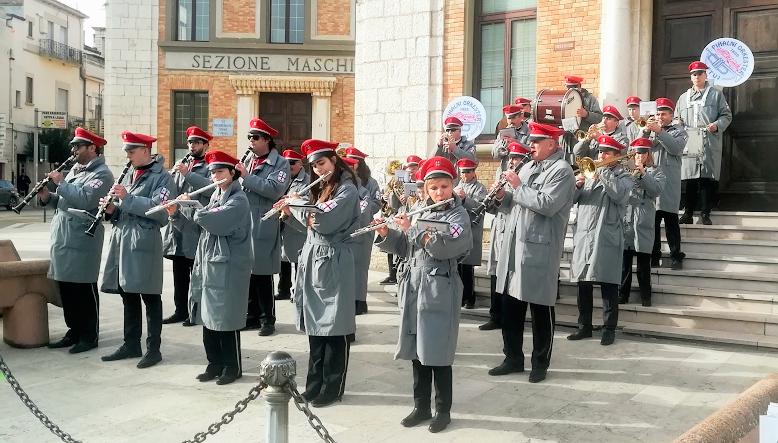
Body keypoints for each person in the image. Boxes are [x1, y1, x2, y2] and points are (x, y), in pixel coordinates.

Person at [375, 156, 472, 433]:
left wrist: (414, 229)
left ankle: (443, 410)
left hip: (440, 284)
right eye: (434, 188)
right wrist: (386, 233)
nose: (439, 192)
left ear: (452, 186)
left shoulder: (458, 215)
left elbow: (443, 249)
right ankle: (421, 406)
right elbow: (406, 246)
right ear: (426, 190)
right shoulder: (418, 209)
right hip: (414, 284)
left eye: (444, 186)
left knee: (437, 350)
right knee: (418, 350)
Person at [276, 139, 361, 408]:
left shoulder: (347, 190)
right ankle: (313, 384)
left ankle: (333, 387)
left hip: (334, 260)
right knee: (315, 327)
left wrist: (298, 208)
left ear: (333, 161)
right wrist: (289, 211)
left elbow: (322, 222)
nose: (318, 170)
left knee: (334, 328)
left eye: (321, 163)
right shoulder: (319, 188)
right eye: (313, 166)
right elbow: (309, 227)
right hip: (313, 258)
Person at [488, 123, 575, 383]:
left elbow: (547, 205)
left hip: (539, 249)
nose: (532, 145)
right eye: (532, 140)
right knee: (510, 307)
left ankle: (540, 362)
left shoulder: (562, 171)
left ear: (552, 143)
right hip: (514, 245)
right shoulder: (527, 167)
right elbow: (512, 203)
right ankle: (512, 357)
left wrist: (517, 185)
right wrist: (501, 195)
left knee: (540, 308)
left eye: (537, 141)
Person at [167, 151, 252, 385]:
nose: (215, 177)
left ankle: (232, 367)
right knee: (208, 317)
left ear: (232, 173)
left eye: (220, 172)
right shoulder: (214, 198)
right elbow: (197, 230)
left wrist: (192, 206)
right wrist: (176, 214)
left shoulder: (238, 200)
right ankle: (214, 363)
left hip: (228, 266)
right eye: (213, 172)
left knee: (225, 318)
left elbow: (214, 222)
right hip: (208, 263)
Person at [100, 131, 177, 369]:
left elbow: (162, 210)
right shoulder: (129, 174)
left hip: (144, 241)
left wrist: (128, 198)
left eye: (132, 152)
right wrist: (112, 209)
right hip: (123, 239)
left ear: (145, 150)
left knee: (150, 295)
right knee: (128, 293)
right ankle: (131, 343)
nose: (128, 156)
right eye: (127, 152)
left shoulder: (163, 177)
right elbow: (124, 208)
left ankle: (153, 349)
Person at [41, 128, 114, 354]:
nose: (73, 151)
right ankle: (73, 330)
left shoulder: (102, 174)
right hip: (64, 236)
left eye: (78, 146)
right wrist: (47, 196)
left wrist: (61, 183)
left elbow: (85, 199)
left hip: (83, 238)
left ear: (92, 147)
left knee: (83, 287)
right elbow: (65, 200)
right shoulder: (76, 169)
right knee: (67, 288)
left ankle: (89, 334)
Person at [567, 135, 632, 346]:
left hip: (607, 234)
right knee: (583, 282)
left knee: (609, 283)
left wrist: (602, 173)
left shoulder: (624, 176)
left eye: (606, 153)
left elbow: (620, 196)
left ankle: (609, 328)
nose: (601, 156)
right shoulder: (588, 175)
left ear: (616, 156)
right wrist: (576, 186)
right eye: (600, 152)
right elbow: (571, 201)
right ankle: (584, 326)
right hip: (585, 233)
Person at [234, 118, 290, 337]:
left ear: (267, 139)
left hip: (263, 219)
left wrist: (246, 178)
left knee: (262, 272)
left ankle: (268, 319)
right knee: (247, 271)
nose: (251, 141)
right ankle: (251, 316)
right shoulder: (247, 160)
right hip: (244, 220)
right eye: (249, 137)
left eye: (255, 137)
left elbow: (275, 190)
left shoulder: (280, 163)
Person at [161, 126, 212, 326]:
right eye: (190, 142)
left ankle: (196, 311)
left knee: (197, 273)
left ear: (206, 145)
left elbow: (210, 189)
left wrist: (188, 174)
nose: (192, 146)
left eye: (197, 143)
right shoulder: (183, 164)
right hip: (177, 224)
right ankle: (180, 310)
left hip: (195, 226)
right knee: (179, 273)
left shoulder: (210, 165)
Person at [479, 142, 530, 331]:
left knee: (509, 278)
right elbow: (493, 208)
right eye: (510, 158)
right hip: (498, 230)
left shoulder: (523, 181)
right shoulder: (504, 177)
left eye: (516, 158)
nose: (511, 162)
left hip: (512, 232)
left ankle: (508, 318)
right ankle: (495, 315)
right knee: (495, 274)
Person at [677, 61, 732, 225]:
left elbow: (726, 115)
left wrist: (717, 126)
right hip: (690, 139)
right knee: (690, 178)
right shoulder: (683, 97)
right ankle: (688, 213)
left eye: (700, 73)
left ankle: (705, 213)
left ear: (706, 75)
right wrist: (677, 123)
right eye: (694, 74)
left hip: (708, 138)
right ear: (690, 77)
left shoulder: (716, 95)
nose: (697, 76)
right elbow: (676, 117)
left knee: (706, 177)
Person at [620, 138, 666, 307]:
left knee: (643, 261)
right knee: (625, 261)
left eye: (641, 153)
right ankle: (622, 294)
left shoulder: (656, 172)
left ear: (648, 154)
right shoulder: (625, 170)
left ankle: (646, 295)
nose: (638, 156)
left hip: (643, 216)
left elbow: (655, 190)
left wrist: (643, 174)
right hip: (627, 217)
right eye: (635, 153)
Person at [646, 98, 688, 270]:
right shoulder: (651, 130)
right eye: (658, 113)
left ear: (671, 115)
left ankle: (676, 256)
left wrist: (660, 132)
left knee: (671, 221)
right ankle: (654, 257)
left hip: (669, 182)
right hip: (652, 180)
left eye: (663, 114)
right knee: (652, 223)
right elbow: (639, 148)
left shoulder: (680, 131)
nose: (660, 116)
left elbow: (676, 148)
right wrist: (645, 131)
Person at [344, 147, 382, 315]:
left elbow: (377, 203)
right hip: (348, 229)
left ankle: (360, 301)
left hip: (365, 227)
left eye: (354, 162)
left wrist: (363, 212)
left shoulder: (370, 183)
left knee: (361, 266)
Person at [454, 158, 486, 310]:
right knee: (457, 265)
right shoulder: (457, 186)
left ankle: (470, 297)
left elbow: (480, 206)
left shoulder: (480, 188)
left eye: (468, 172)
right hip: (458, 230)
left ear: (474, 172)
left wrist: (465, 198)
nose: (465, 176)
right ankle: (459, 296)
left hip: (471, 230)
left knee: (467, 267)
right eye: (462, 173)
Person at [277, 149, 308, 301]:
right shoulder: (282, 178)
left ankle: (298, 290)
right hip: (282, 224)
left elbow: (307, 201)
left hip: (295, 225)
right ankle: (283, 289)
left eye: (292, 163)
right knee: (283, 258)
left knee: (297, 260)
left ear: (300, 164)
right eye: (286, 163)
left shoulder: (307, 181)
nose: (289, 166)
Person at [560, 75, 603, 165]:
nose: (569, 90)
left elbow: (599, 117)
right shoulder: (564, 98)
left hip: (582, 138)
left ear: (579, 86)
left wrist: (586, 114)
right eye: (567, 87)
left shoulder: (589, 98)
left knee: (580, 164)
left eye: (572, 87)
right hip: (566, 138)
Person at [492, 100, 531, 176]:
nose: (511, 121)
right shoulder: (502, 132)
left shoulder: (529, 131)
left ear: (520, 117)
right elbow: (494, 155)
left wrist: (516, 143)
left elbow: (532, 152)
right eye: (509, 118)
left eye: (513, 118)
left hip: (522, 172)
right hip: (504, 172)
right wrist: (502, 144)